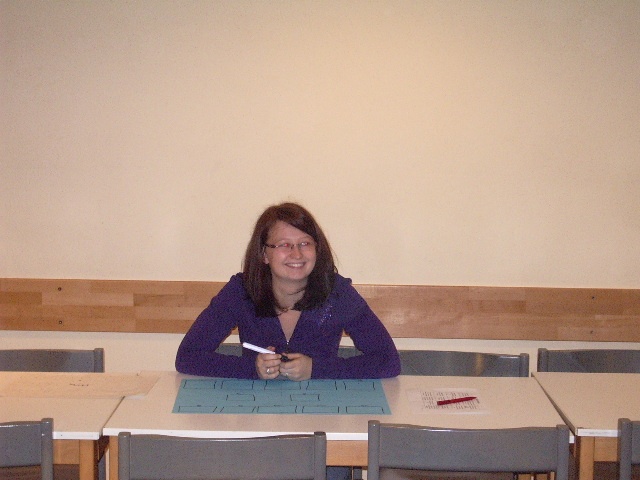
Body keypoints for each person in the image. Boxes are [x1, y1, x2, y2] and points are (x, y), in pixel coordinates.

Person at [175, 201, 401, 381]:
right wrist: (252, 367)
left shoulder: (337, 293)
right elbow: (188, 357)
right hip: (257, 411)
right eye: (284, 245)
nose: (296, 254)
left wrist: (316, 369)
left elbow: (388, 361)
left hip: (320, 411)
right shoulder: (241, 292)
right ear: (264, 254)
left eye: (305, 243)